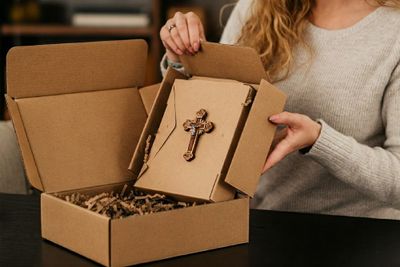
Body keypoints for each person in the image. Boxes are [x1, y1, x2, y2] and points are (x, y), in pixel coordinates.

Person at [159, 0, 400, 219]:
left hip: (359, 235)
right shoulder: (255, 8)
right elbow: (211, 117)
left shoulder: (393, 31)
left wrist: (319, 140)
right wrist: (181, 60)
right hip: (254, 224)